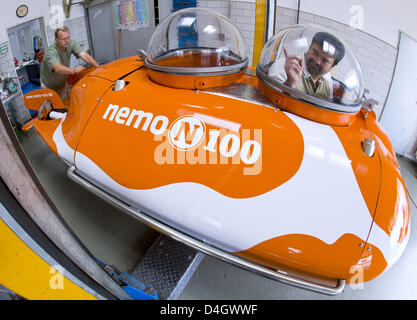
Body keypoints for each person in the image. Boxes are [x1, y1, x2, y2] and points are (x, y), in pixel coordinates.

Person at [269, 32, 345, 101]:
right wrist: (290, 83)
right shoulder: (285, 66)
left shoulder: (327, 78)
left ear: (331, 67)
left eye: (324, 61)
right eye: (315, 53)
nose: (317, 61)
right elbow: (270, 99)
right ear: (309, 49)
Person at [40, 26, 100, 101]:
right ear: (56, 40)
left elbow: (83, 55)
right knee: (51, 110)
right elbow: (57, 68)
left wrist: (99, 68)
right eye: (63, 39)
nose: (67, 41)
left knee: (64, 107)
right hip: (48, 87)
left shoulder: (71, 44)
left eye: (68, 37)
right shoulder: (51, 51)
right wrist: (73, 70)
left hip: (62, 85)